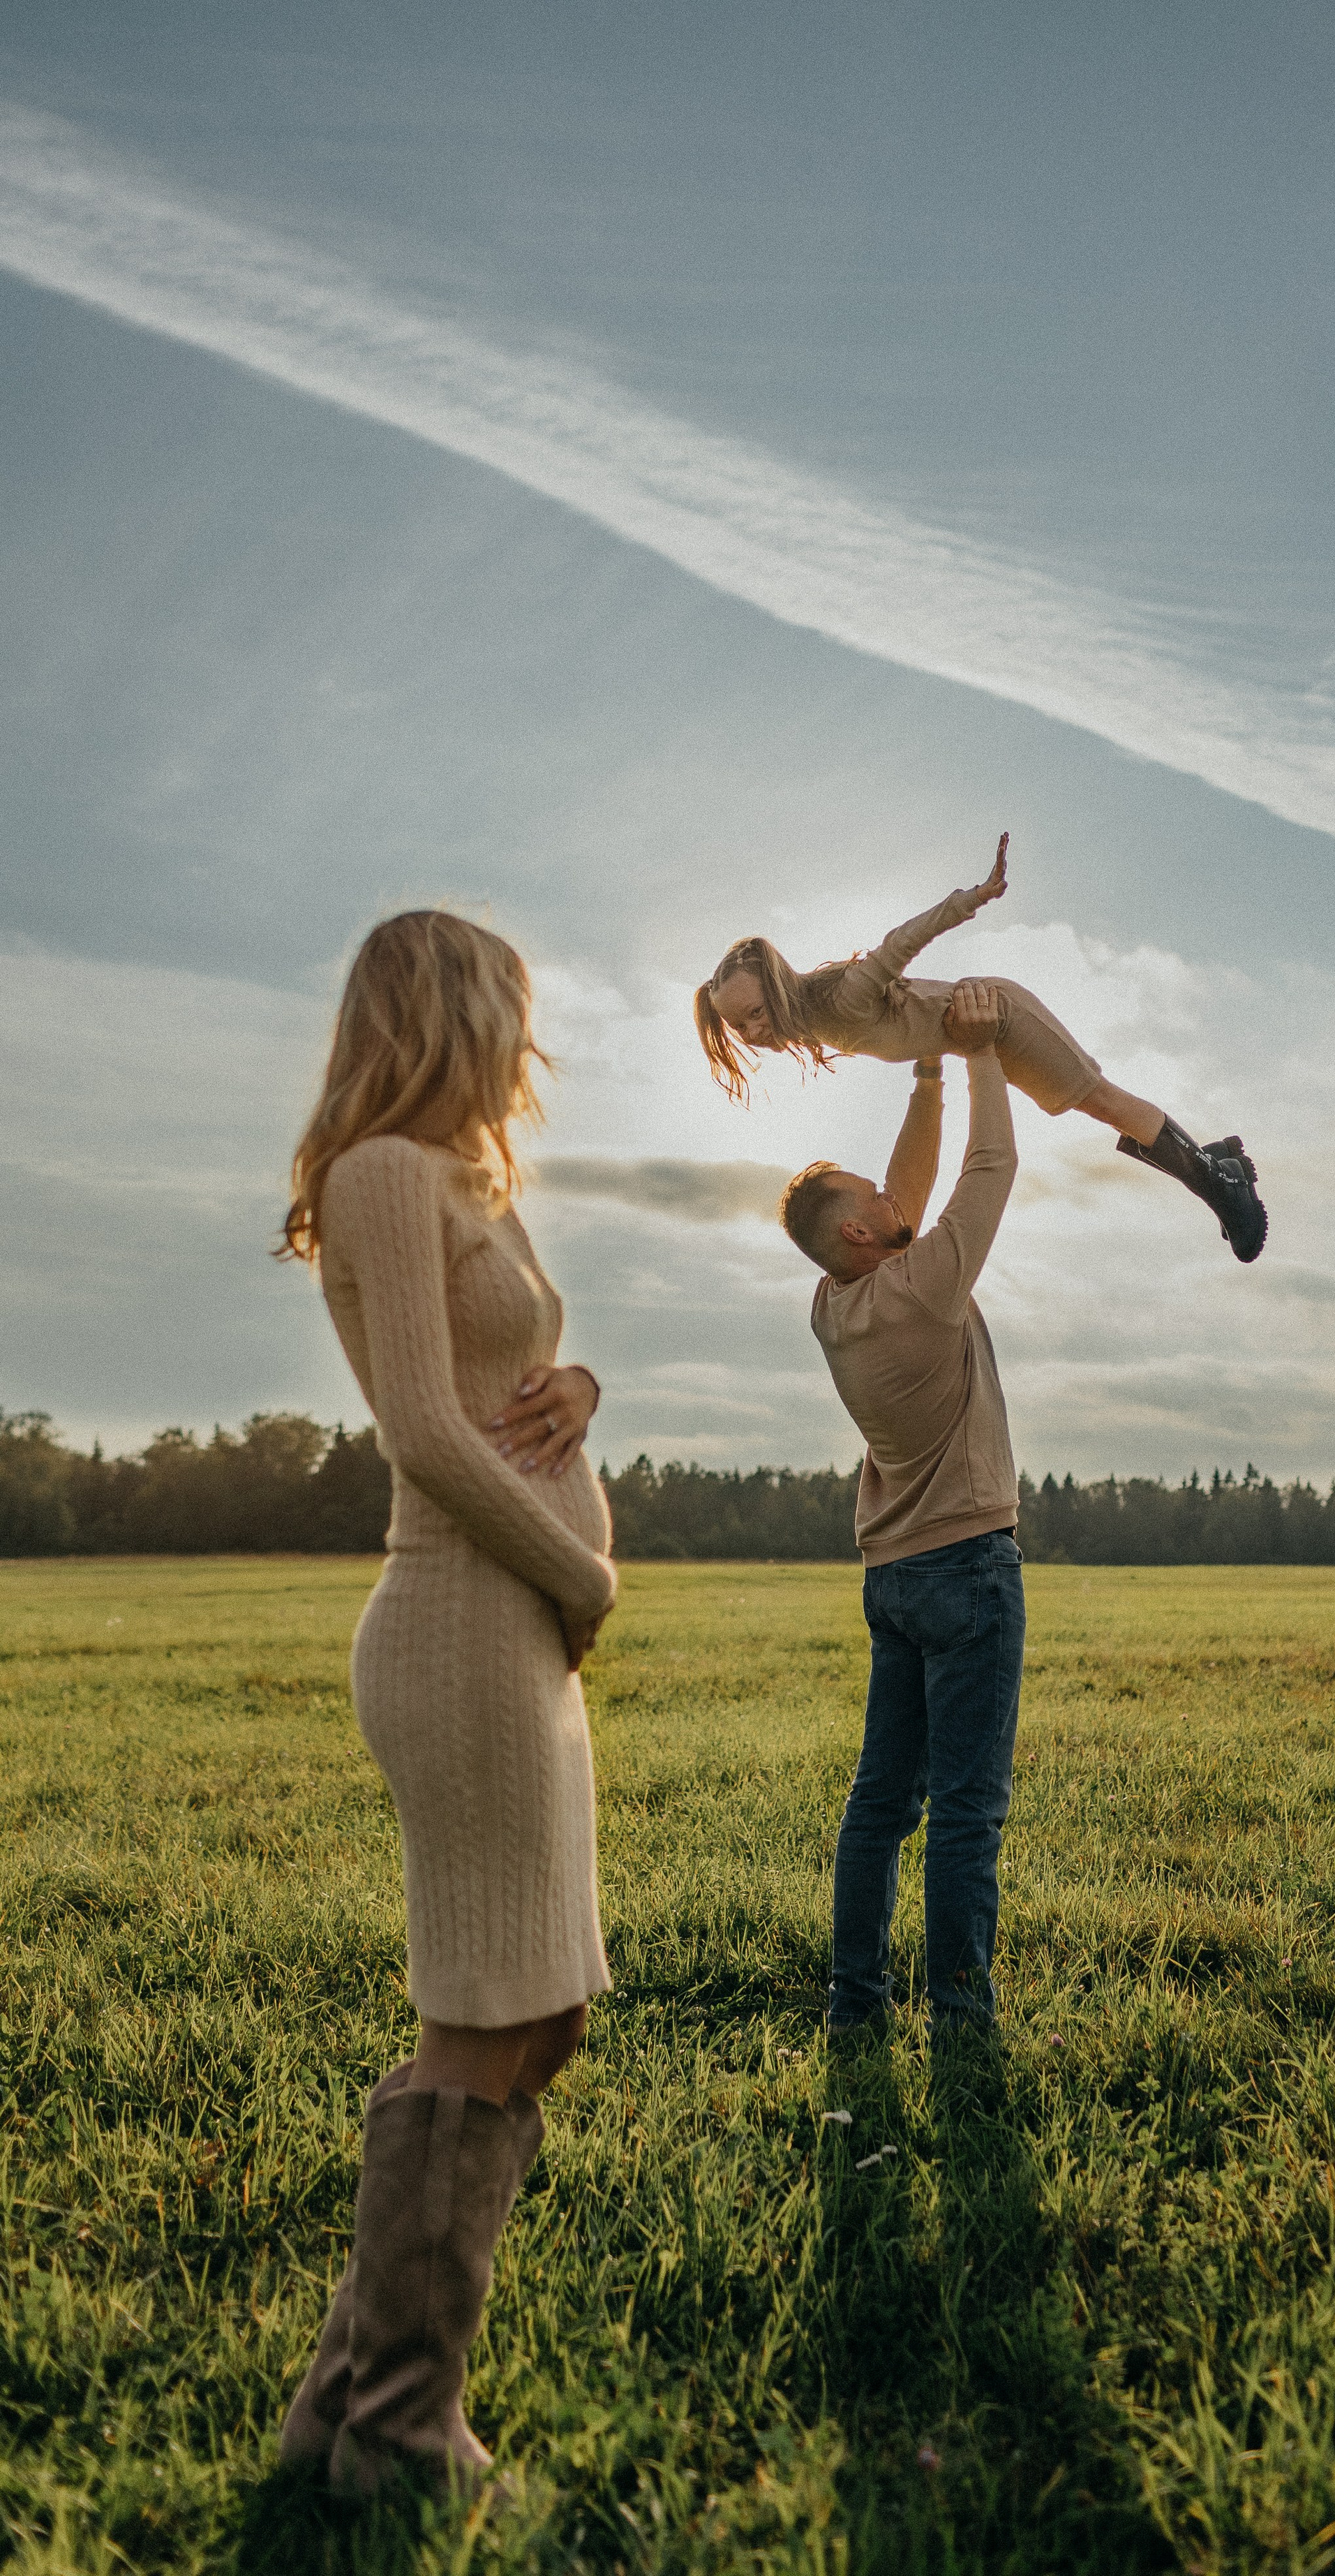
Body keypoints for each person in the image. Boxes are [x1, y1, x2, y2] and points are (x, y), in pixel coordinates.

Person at [275, 908, 618, 2496]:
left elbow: (508, 1376)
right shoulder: (381, 1173)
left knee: (540, 2015)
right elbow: (421, 1426)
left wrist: (582, 1388)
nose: (525, 1043)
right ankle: (403, 2432)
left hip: (515, 1634)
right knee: (482, 2013)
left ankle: (341, 2404)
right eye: (508, 1009)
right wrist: (582, 1575)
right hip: (460, 1626)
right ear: (446, 1009)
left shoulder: (466, 1178)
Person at [777, 981, 1028, 2036]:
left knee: (880, 1807)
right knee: (967, 1811)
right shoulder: (925, 1287)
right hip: (968, 1569)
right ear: (859, 1228)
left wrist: (926, 1064)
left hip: (892, 1578)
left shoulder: (833, 1304)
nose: (890, 1192)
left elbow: (908, 1188)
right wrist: (982, 1051)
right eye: (871, 1194)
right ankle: (962, 2022)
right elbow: (989, 1168)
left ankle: (856, 2007)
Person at [696, 831, 1266, 1261]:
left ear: (777, 992)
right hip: (979, 1025)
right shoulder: (821, 1020)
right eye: (738, 1026)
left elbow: (898, 946)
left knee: (1100, 1100)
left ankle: (1224, 1186)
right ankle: (1217, 1167)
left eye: (755, 1014)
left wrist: (976, 896)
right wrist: (931, 1053)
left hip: (1001, 1017)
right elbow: (911, 1018)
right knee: (1092, 1105)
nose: (751, 1033)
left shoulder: (840, 1004)